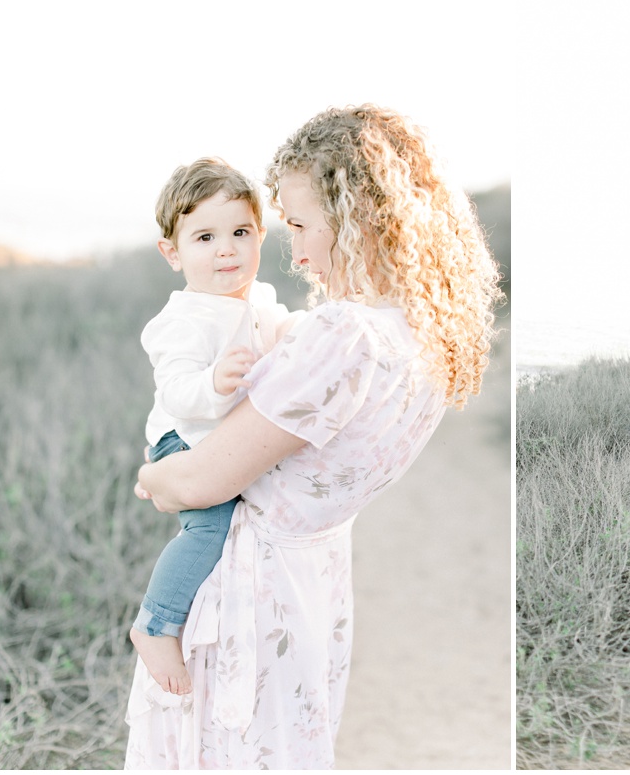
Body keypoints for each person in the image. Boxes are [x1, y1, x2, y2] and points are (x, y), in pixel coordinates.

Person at [124, 105, 502, 769]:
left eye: (300, 224)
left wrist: (153, 476)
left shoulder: (345, 334)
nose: (293, 251)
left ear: (360, 216)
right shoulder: (426, 334)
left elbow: (196, 481)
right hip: (314, 585)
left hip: (253, 593)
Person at [131, 158, 300, 697]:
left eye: (240, 232)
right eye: (204, 236)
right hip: (182, 437)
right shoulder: (182, 320)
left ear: (259, 235)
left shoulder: (261, 300)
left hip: (219, 436)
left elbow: (280, 336)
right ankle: (155, 623)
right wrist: (215, 381)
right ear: (173, 252)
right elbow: (177, 392)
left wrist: (297, 330)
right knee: (209, 524)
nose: (225, 249)